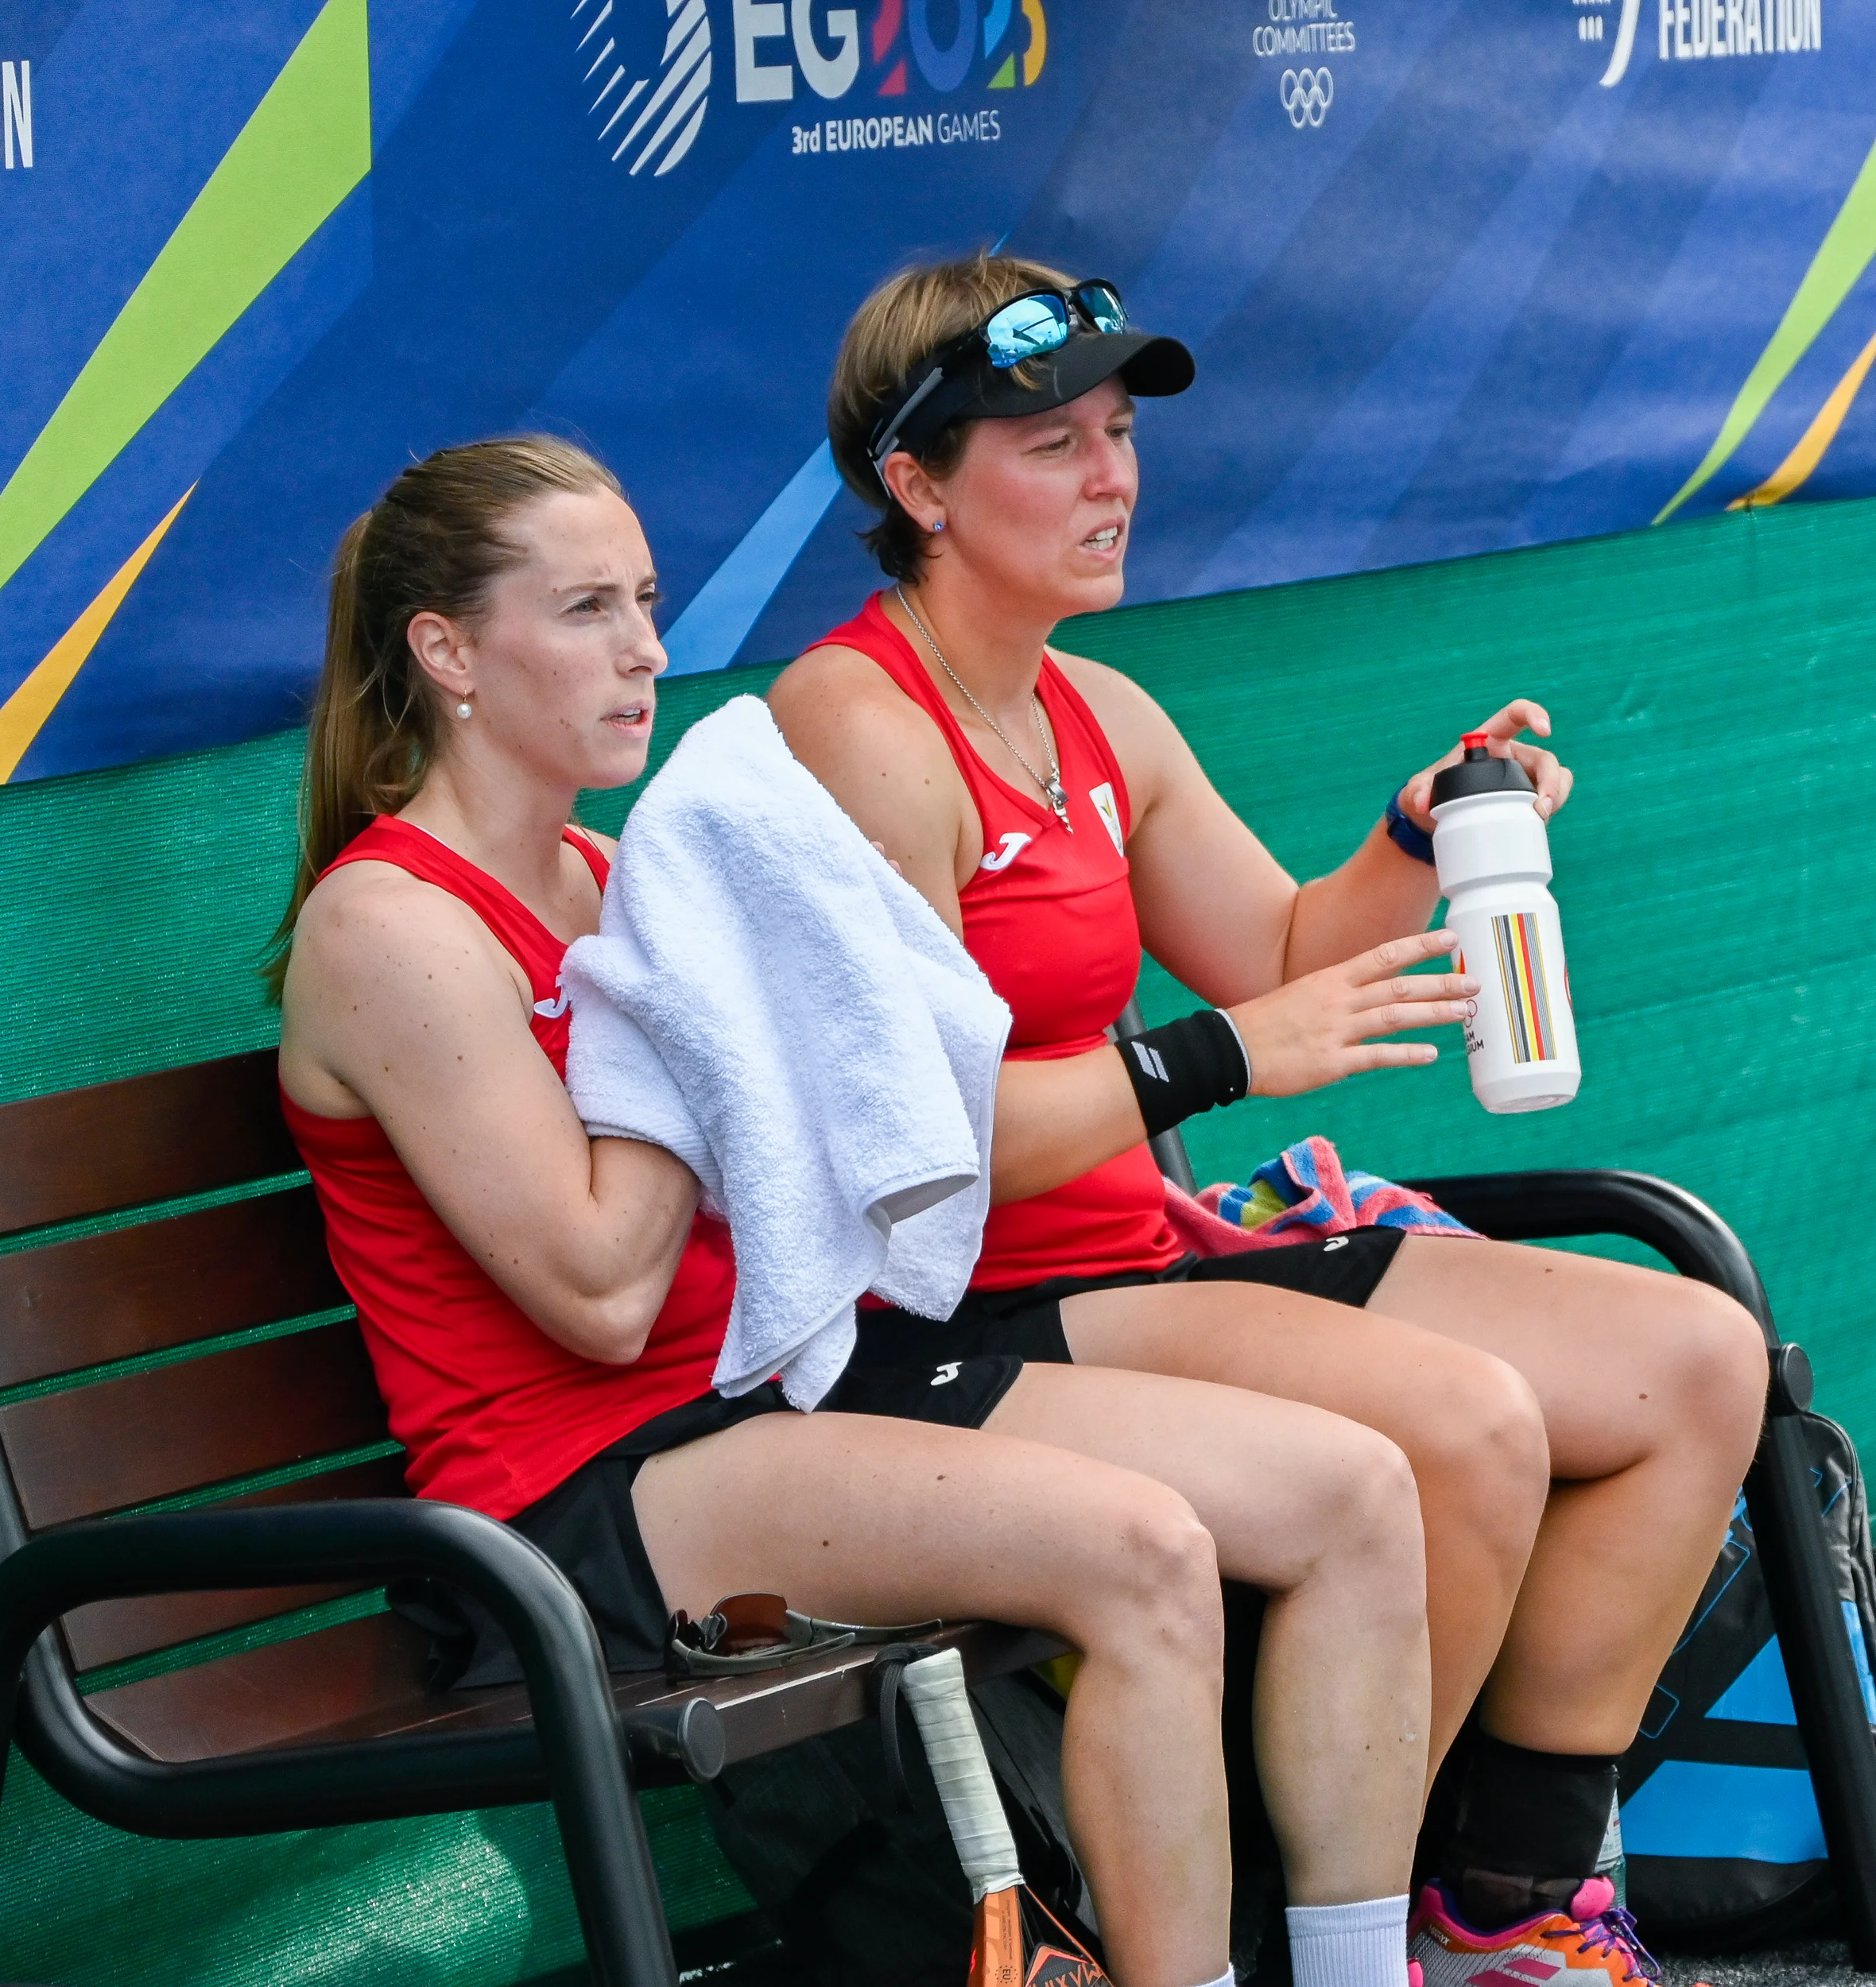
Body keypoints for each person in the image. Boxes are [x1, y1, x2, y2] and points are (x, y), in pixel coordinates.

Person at [269, 436, 1440, 1987]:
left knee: (1349, 1487)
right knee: (1145, 1547)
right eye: (585, 609)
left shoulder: (616, 873)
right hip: (573, 1494)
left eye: (647, 599)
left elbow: (824, 1151)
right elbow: (602, 1294)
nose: (645, 650)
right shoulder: (387, 923)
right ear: (445, 649)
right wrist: (704, 1015)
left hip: (764, 1405)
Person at [767, 254, 1768, 1987]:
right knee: (1462, 1426)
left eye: (1116, 431)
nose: (1111, 475)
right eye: (1050, 443)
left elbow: (1286, 942)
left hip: (1140, 1258)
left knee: (1696, 1356)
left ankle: (1499, 1893)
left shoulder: (1098, 707)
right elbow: (909, 1152)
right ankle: (1323, 1938)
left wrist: (1409, 828)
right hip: (943, 1320)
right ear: (915, 487)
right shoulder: (857, 725)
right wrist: (1222, 1058)